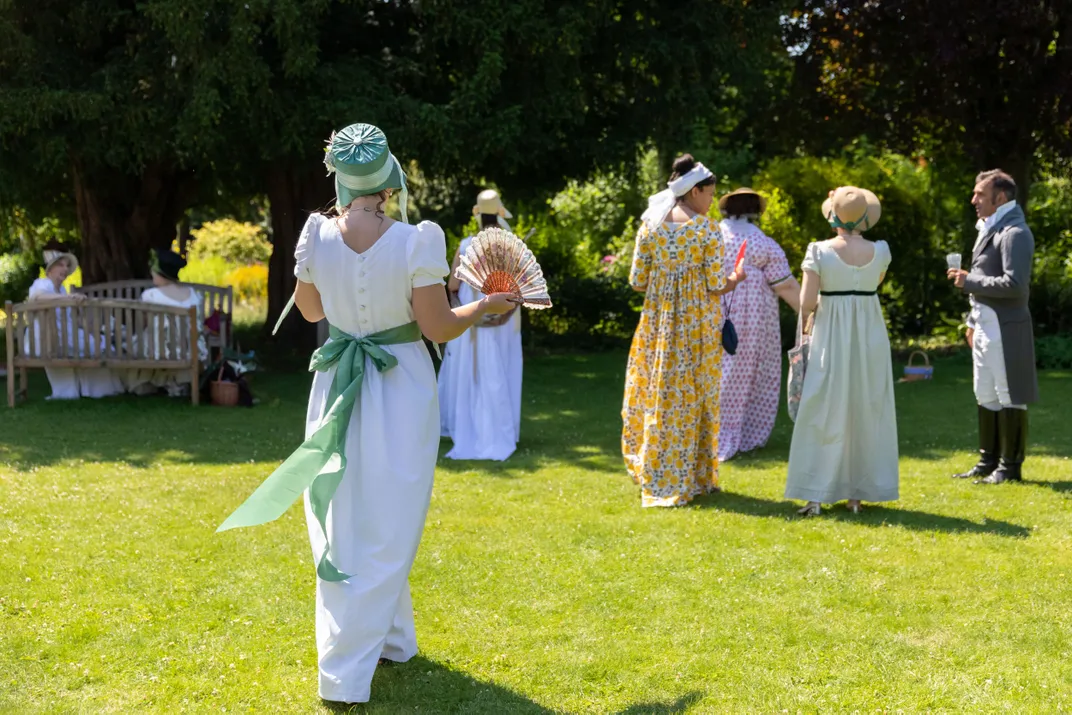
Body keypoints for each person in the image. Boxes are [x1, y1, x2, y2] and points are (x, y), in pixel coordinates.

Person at [216, 123, 517, 705]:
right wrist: (482, 304)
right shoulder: (416, 239)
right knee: (388, 517)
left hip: (336, 379)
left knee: (354, 511)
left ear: (342, 177)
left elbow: (308, 310)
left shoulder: (315, 233)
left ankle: (393, 641)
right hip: (399, 383)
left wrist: (346, 287)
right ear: (386, 180)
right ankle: (344, 672)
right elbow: (437, 328)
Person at [621, 154, 745, 507]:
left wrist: (667, 282)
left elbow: (636, 282)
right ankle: (694, 478)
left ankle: (659, 472)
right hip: (696, 328)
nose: (711, 200)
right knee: (696, 397)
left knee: (658, 395)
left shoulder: (650, 226)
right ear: (694, 192)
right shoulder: (706, 230)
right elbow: (715, 283)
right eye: (709, 194)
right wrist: (735, 279)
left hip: (657, 328)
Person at [785, 186, 898, 516]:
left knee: (823, 405)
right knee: (866, 405)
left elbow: (806, 302)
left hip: (830, 330)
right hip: (869, 332)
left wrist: (817, 312)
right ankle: (856, 495)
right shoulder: (881, 250)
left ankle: (816, 493)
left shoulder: (819, 251)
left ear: (833, 215)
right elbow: (874, 284)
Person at [948, 170, 1037, 484]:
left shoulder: (1015, 232)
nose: (973, 200)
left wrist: (968, 280)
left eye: (980, 194)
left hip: (1005, 327)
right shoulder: (990, 227)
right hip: (985, 325)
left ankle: (1010, 467)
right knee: (984, 392)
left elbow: (1015, 286)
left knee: (1009, 393)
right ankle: (988, 462)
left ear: (1001, 198)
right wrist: (972, 322)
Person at [438, 189, 523, 461]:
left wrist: (460, 312)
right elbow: (521, 290)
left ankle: (470, 427)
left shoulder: (465, 246)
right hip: (502, 322)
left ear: (478, 215)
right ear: (499, 213)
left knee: (469, 373)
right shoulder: (511, 245)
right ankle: (498, 428)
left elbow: (452, 286)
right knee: (502, 368)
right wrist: (503, 316)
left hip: (471, 320)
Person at [717, 188, 801, 461]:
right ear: (756, 211)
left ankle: (709, 430)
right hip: (752, 319)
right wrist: (811, 313)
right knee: (749, 372)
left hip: (714, 310)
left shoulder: (712, 236)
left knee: (717, 370)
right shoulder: (762, 243)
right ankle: (744, 433)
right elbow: (786, 285)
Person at [25, 241, 123, 399]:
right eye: (61, 265)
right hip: (48, 336)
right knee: (95, 345)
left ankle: (97, 389)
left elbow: (69, 318)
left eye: (67, 266)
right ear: (50, 269)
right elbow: (38, 297)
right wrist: (67, 297)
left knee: (99, 341)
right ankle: (96, 390)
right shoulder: (42, 283)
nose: (65, 269)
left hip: (63, 332)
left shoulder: (62, 288)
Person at [125, 248, 209, 397]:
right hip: (189, 349)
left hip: (160, 350)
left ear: (160, 273)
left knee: (138, 341)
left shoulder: (151, 295)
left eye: (154, 272)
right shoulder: (194, 295)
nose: (152, 274)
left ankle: (152, 382)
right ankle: (176, 383)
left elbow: (144, 324)